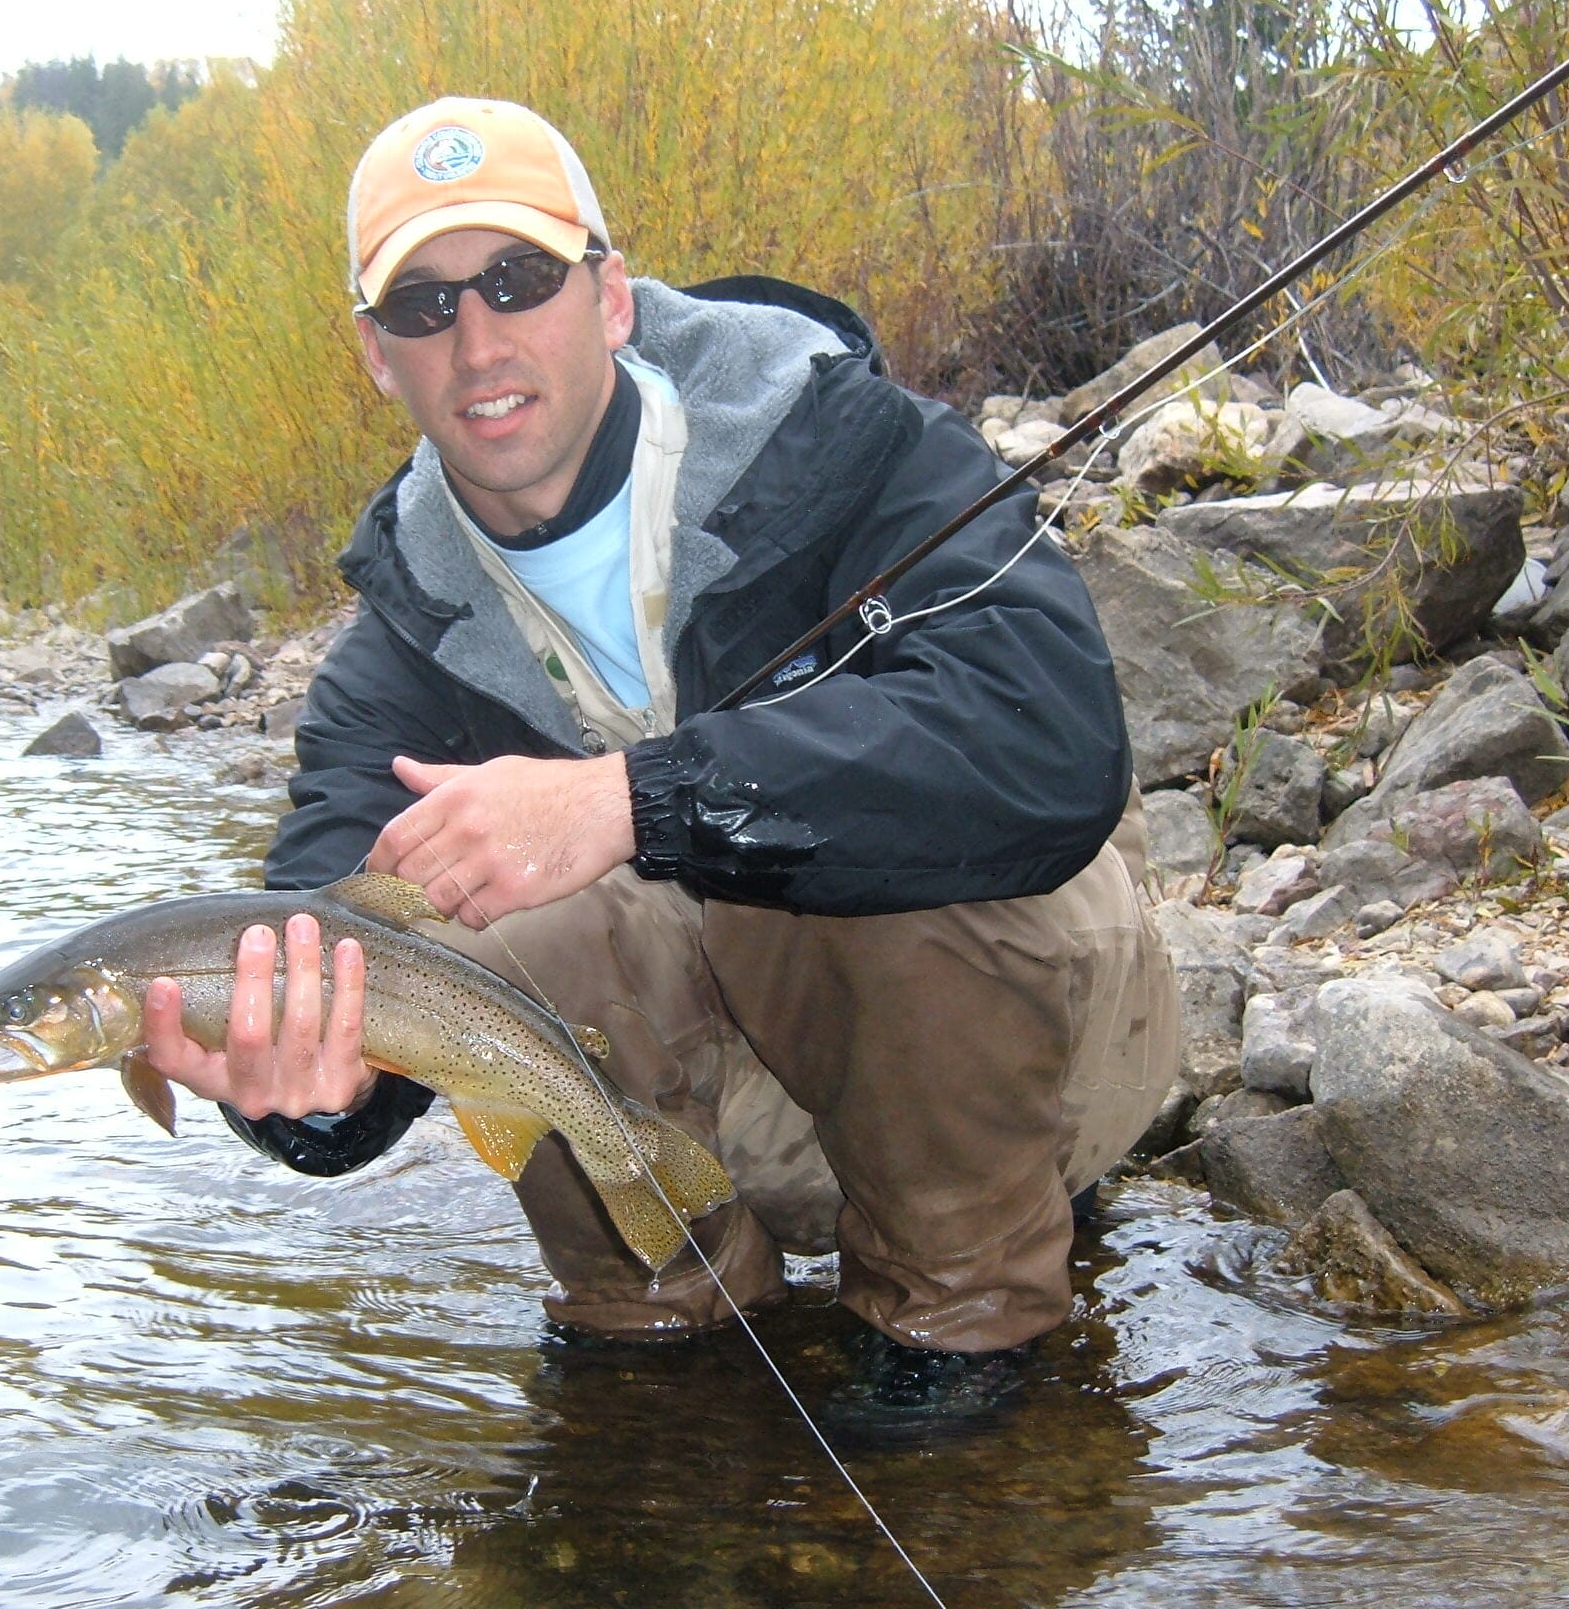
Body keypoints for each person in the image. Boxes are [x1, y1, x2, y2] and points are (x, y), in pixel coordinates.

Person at [143, 96, 1180, 1429]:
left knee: (879, 823)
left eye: (517, 281)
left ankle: (960, 1323)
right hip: (719, 1146)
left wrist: (626, 800)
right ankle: (665, 1333)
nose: (476, 340)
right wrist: (299, 1100)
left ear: (612, 298)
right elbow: (323, 942)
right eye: (423, 306)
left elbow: (1045, 745)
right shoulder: (394, 656)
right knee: (476, 916)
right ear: (375, 358)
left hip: (1049, 1070)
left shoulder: (842, 447)